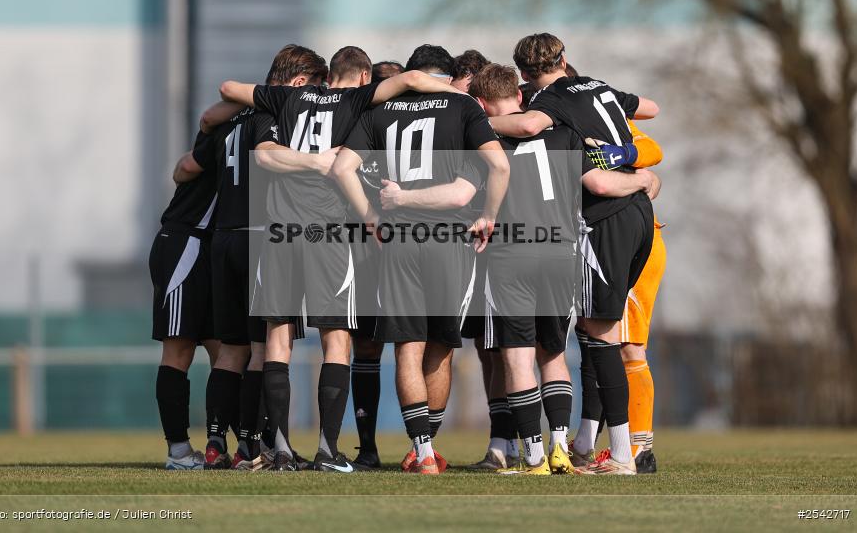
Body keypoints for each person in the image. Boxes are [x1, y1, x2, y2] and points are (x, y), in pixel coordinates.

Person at [219, 46, 465, 472]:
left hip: (278, 229)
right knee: (337, 339)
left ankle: (279, 448)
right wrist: (455, 95)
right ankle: (327, 450)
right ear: (364, 75)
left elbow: (229, 89)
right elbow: (407, 80)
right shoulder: (356, 101)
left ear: (328, 73)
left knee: (278, 337)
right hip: (327, 231)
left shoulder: (286, 98)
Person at [471, 64, 659, 475]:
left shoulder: (481, 136)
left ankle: (534, 457)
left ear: (484, 104)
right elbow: (600, 183)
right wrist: (643, 179)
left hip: (511, 252)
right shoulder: (566, 133)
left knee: (518, 358)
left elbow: (466, 191)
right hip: (560, 252)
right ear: (520, 97)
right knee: (553, 353)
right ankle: (561, 447)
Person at [331, 44, 510, 475]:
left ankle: (423, 452)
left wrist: (373, 218)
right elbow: (500, 167)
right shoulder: (463, 108)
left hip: (398, 238)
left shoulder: (380, 113)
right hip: (450, 238)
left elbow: (341, 169)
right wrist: (488, 217)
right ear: (446, 76)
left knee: (406, 348)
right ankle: (426, 448)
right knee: (441, 347)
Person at [196, 45, 326, 470]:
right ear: (300, 83)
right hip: (259, 239)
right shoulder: (275, 117)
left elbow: (206, 121)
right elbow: (273, 160)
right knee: (262, 348)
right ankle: (253, 447)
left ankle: (215, 441)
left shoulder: (229, 119)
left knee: (230, 351)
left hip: (223, 240)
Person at [150, 104, 237, 470]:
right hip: (186, 242)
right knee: (180, 349)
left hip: (215, 248)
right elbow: (187, 162)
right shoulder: (229, 129)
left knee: (226, 350)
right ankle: (179, 451)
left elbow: (184, 168)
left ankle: (228, 445)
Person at [582, 119, 666, 473]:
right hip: (602, 244)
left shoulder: (604, 116)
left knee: (629, 346)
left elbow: (653, 150)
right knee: (598, 342)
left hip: (628, 246)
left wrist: (622, 153)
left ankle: (637, 449)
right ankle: (588, 442)